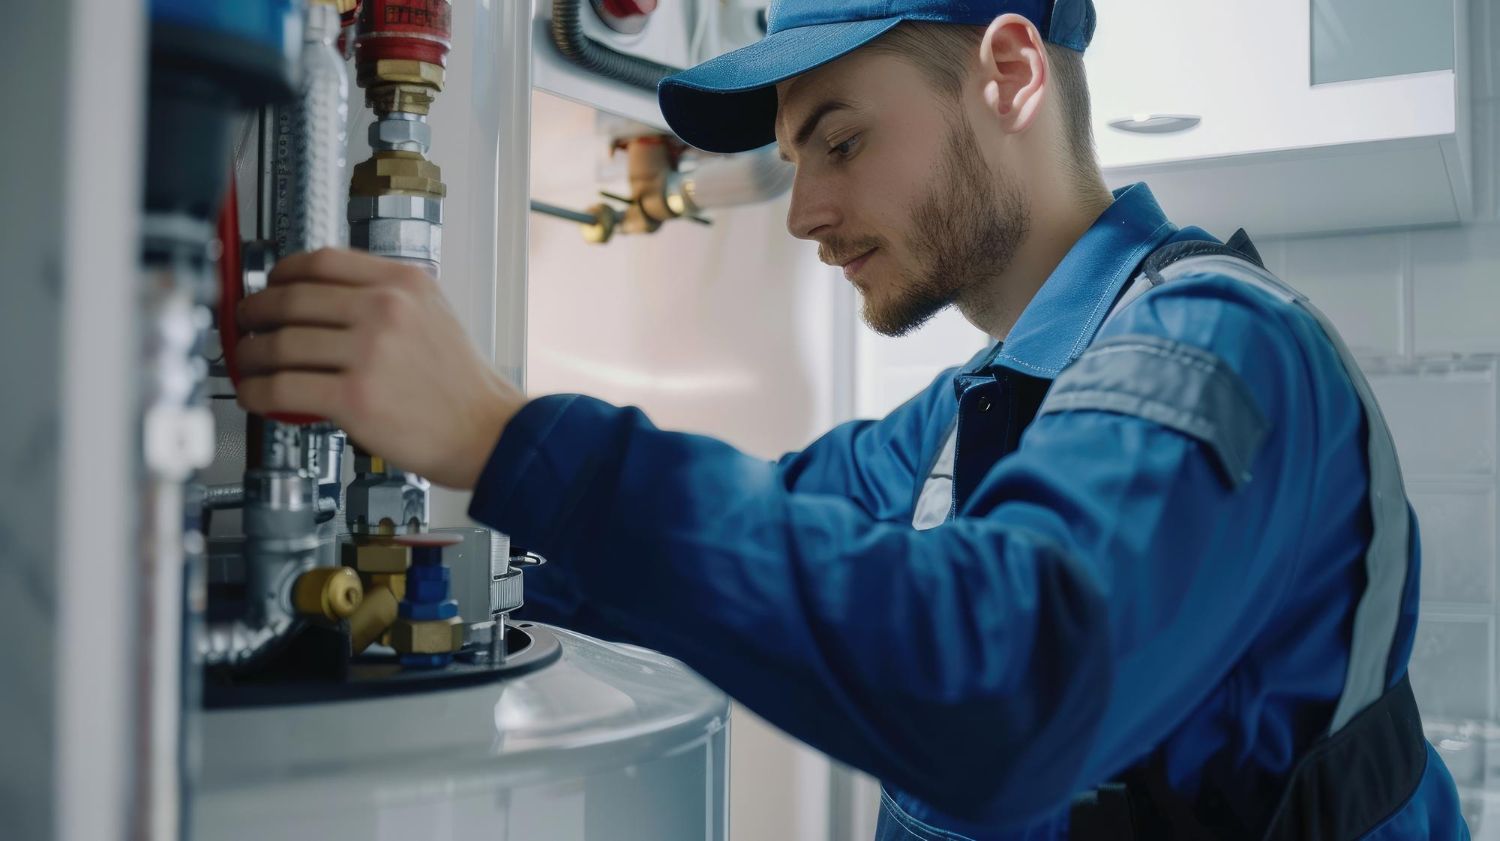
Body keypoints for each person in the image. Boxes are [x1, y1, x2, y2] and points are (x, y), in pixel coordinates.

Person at [234, 0, 1470, 837]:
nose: (804, 210)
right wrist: (434, 565)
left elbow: (1012, 683)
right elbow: (747, 537)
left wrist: (510, 440)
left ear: (1010, 72)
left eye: (840, 141)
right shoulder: (965, 418)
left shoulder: (1222, 347)